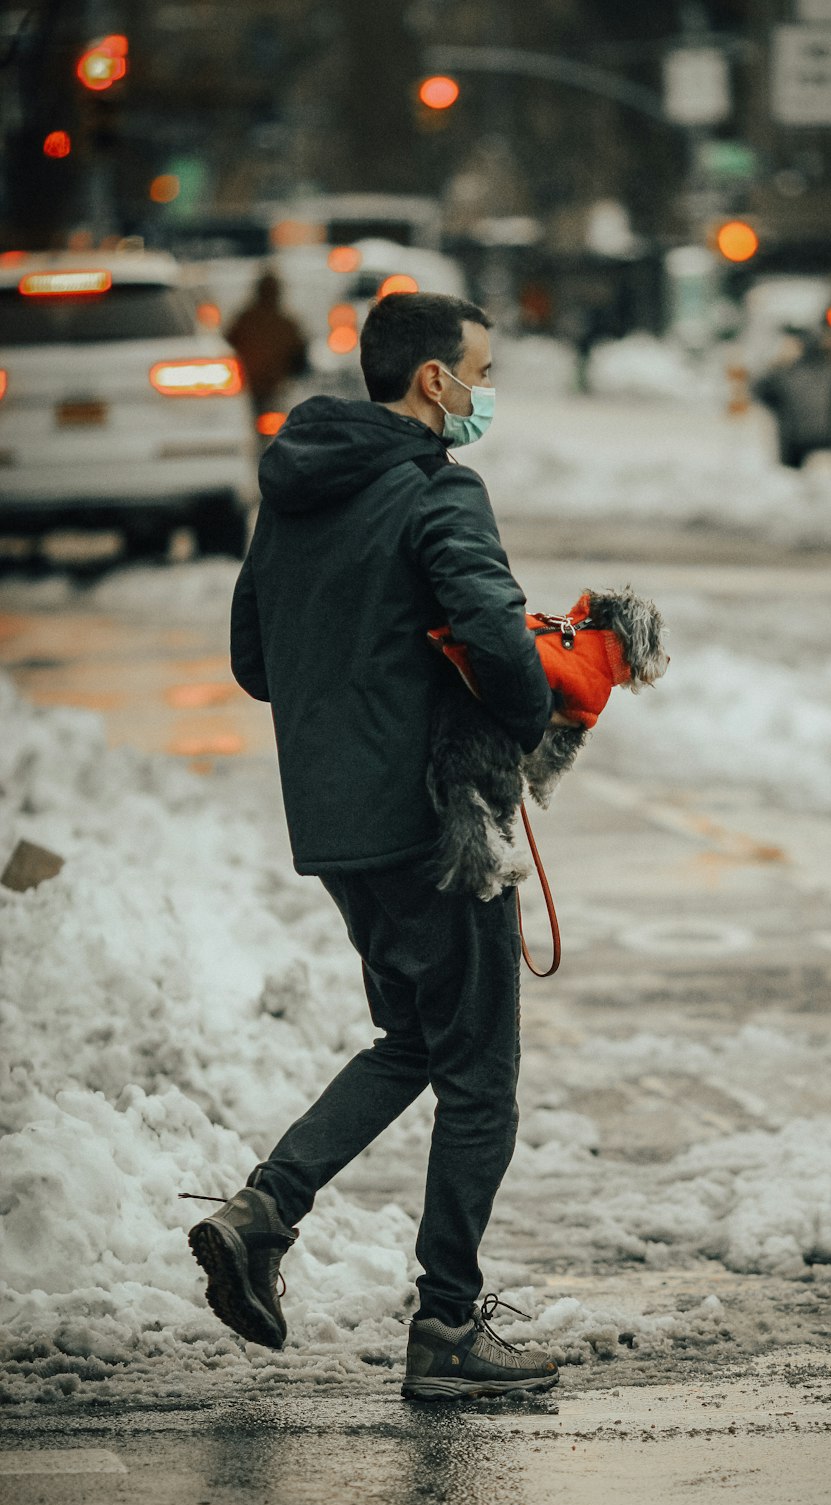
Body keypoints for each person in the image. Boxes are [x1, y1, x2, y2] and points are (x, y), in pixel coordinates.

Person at [188, 292, 563, 1401]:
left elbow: (255, 657)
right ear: (432, 381)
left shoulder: (296, 491)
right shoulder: (438, 488)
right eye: (480, 372)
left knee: (415, 1036)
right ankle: (447, 1327)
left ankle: (264, 1212)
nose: (486, 393)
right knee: (481, 1074)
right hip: (436, 825)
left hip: (339, 827)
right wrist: (528, 712)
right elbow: (497, 639)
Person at [224, 269, 307, 416]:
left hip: (252, 387)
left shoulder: (245, 319)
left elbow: (228, 343)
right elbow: (300, 356)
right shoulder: (286, 324)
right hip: (271, 387)